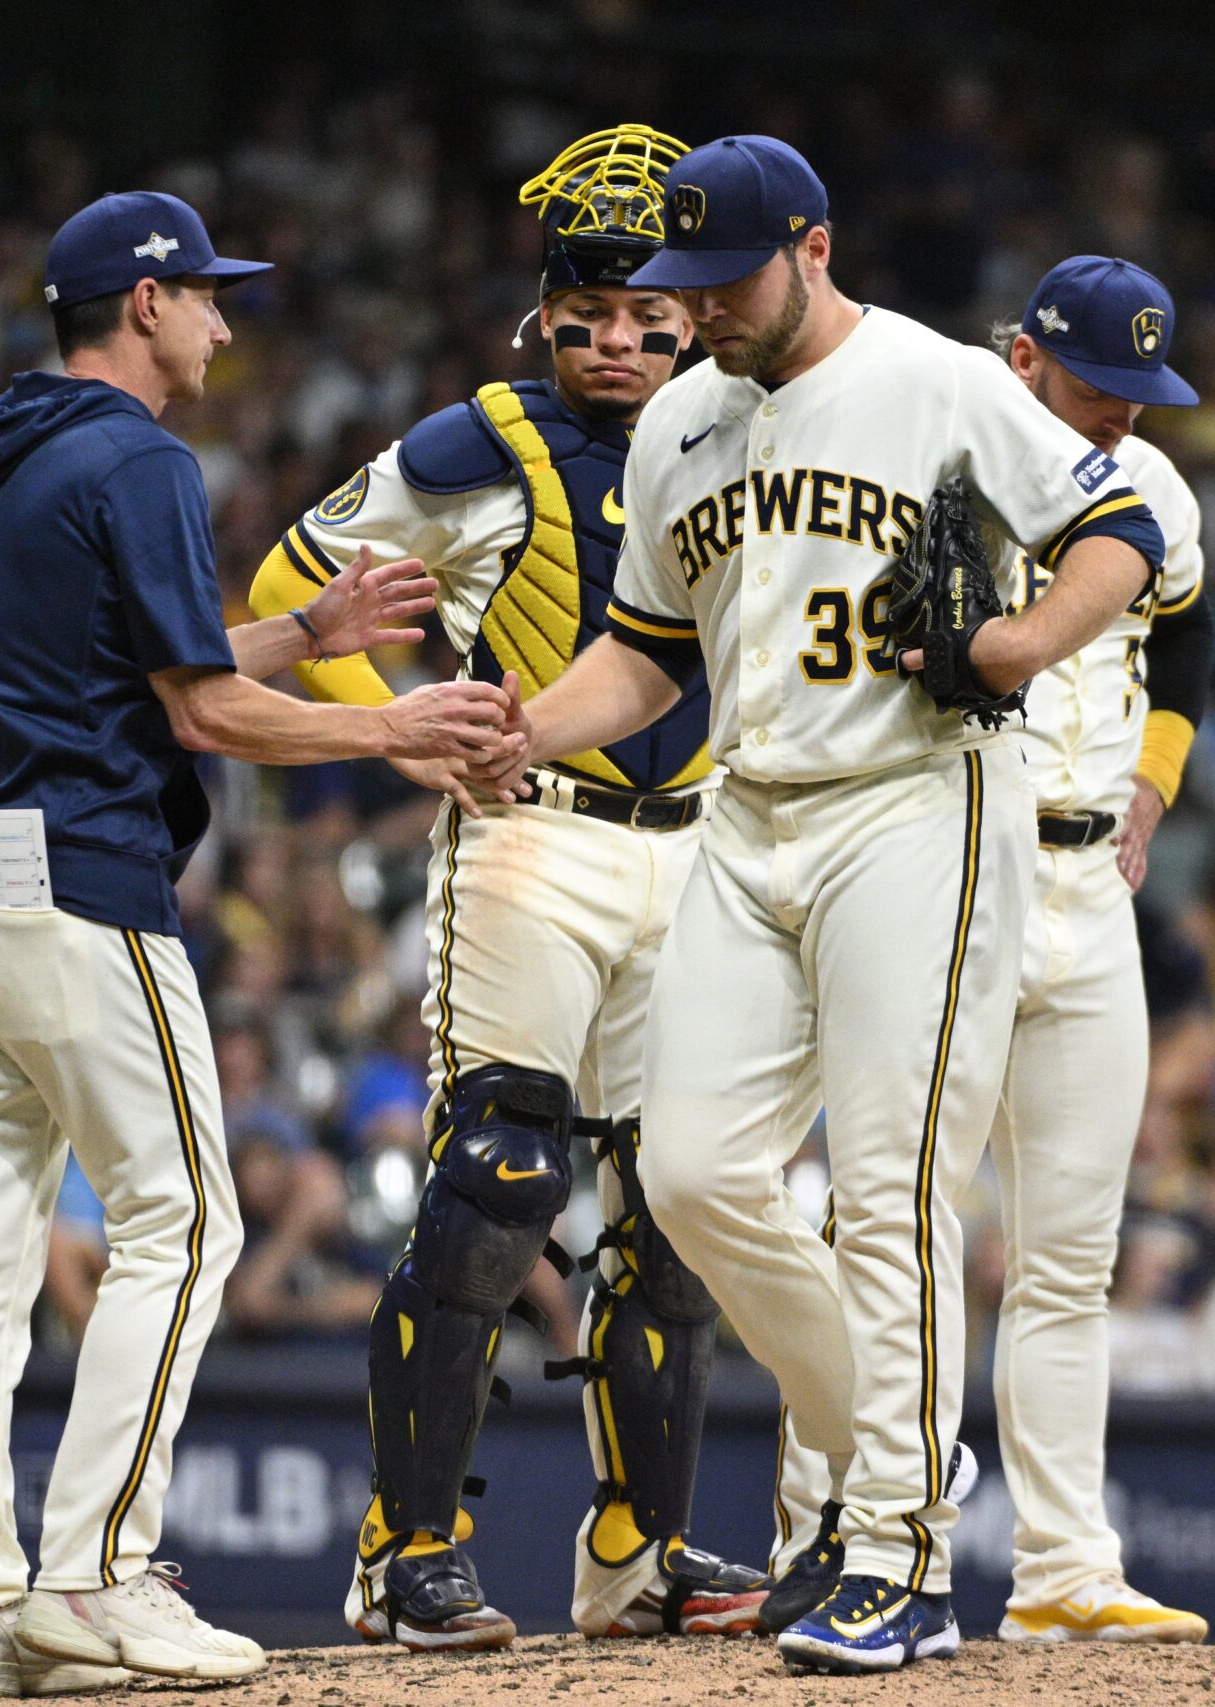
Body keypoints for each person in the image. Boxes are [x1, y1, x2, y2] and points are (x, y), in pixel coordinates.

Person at [476, 136, 1163, 1674]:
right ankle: (894, 1450)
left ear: (813, 247)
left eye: (723, 281)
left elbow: (1123, 530)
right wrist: (524, 728)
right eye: (679, 285)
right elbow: (649, 653)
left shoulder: (937, 381)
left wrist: (1017, 643)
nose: (695, 309)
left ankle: (902, 1552)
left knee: (892, 1184)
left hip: (917, 807)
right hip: (752, 813)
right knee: (695, 1169)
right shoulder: (681, 426)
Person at [0, 189, 519, 1700]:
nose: (227, 324)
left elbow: (139, 664)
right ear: (144, 302)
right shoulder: (141, 457)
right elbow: (193, 714)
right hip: (82, 891)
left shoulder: (5, 459)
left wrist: (306, 635)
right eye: (207, 297)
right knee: (188, 1217)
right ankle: (98, 1575)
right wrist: (390, 718)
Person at [245, 122, 766, 1651]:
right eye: (588, 313)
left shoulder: (745, 429)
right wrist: (399, 734)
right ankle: (407, 1549)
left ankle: (637, 1559)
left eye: (645, 317)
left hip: (699, 846)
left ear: (690, 317)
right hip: (530, 829)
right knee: (503, 1180)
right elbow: (288, 585)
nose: (616, 341)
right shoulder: (481, 438)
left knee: (675, 1208)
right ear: (546, 311)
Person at [763, 256, 1212, 1645]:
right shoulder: (923, 449)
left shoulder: (1154, 493)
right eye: (1095, 386)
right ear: (1021, 357)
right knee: (896, 1219)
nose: (1121, 417)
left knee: (1071, 1253)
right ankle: (841, 1525)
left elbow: (1181, 633)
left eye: (1141, 393)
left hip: (1092, 888)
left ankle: (1068, 1562)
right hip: (949, 861)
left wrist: (1155, 781)